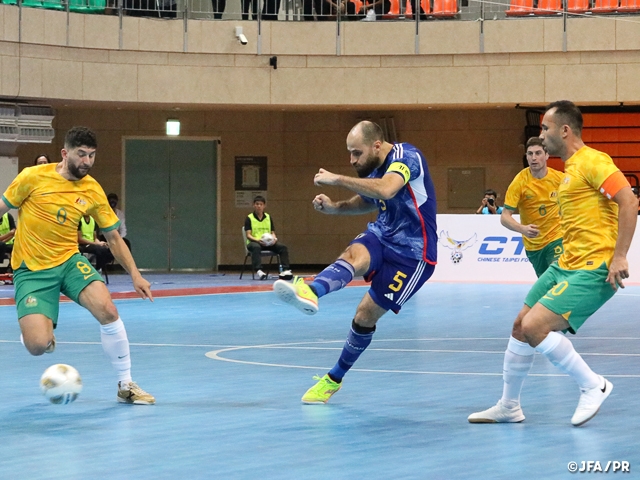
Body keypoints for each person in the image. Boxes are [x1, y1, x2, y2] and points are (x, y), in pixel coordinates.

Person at [468, 101, 638, 427]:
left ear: (564, 130)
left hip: (593, 268)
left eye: (545, 128)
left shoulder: (592, 161)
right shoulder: (570, 170)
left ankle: (593, 385)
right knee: (520, 326)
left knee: (535, 327)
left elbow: (628, 201)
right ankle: (509, 406)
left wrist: (619, 256)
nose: (541, 135)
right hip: (565, 263)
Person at [273, 120, 437, 404]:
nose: (352, 160)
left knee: (364, 316)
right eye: (349, 153)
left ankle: (333, 379)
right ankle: (311, 291)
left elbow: (385, 190)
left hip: (414, 254)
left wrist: (336, 179)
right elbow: (368, 200)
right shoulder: (373, 167)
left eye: (356, 153)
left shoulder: (406, 157)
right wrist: (336, 208)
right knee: (354, 255)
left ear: (376, 145)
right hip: (383, 234)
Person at [0, 126, 155, 405]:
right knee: (37, 346)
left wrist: (135, 275)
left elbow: (113, 237)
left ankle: (126, 385)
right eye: (81, 154)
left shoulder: (92, 189)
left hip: (70, 262)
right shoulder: (31, 177)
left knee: (108, 309)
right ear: (64, 153)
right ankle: (42, 337)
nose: (87, 161)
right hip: (32, 269)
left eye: (92, 155)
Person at [501, 137, 564, 277]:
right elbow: (505, 217)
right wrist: (522, 229)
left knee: (557, 275)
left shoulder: (560, 179)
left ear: (547, 155)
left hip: (557, 239)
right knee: (545, 286)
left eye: (538, 153)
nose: (533, 158)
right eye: (530, 154)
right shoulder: (519, 182)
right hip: (534, 246)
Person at [245, 196, 292, 280]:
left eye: (261, 204)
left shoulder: (268, 217)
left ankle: (285, 270)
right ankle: (259, 271)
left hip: (268, 243)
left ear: (264, 206)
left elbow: (272, 232)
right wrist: (258, 240)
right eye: (257, 204)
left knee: (282, 247)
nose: (259, 206)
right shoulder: (249, 218)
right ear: (253, 205)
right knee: (256, 247)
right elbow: (248, 235)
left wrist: (274, 239)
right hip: (254, 242)